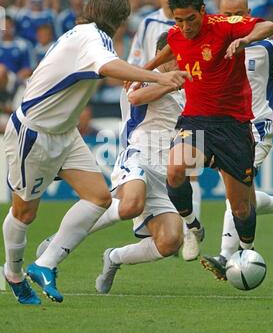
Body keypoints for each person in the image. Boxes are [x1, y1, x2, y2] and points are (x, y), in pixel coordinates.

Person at [2, 0, 189, 305]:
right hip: (34, 132)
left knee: (100, 197)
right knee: (24, 211)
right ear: (118, 19)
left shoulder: (89, 36)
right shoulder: (90, 38)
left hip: (64, 133)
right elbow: (107, 68)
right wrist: (158, 77)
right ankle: (14, 274)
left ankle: (44, 264)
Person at [36, 32, 203, 294]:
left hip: (168, 170)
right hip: (139, 154)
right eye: (175, 56)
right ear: (162, 55)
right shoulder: (143, 76)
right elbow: (135, 98)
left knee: (170, 241)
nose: (181, 61)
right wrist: (173, 83)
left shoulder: (189, 84)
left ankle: (114, 257)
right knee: (130, 205)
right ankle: (58, 241)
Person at [143, 0, 273, 265]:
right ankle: (193, 226)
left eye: (190, 19)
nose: (185, 26)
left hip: (234, 125)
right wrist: (147, 68)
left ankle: (246, 250)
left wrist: (246, 40)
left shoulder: (224, 26)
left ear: (203, 11)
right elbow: (172, 46)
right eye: (178, 20)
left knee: (240, 207)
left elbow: (269, 26)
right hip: (196, 120)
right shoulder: (176, 34)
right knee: (176, 169)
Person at [200, 0, 273, 280]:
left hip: (255, 129)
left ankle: (227, 255)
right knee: (245, 197)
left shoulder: (267, 48)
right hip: (223, 130)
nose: (233, 20)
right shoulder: (210, 47)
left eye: (239, 14)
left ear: (249, 14)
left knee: (237, 195)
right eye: (227, 14)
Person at [127, 0, 203, 260]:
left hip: (191, 94)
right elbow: (137, 61)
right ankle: (179, 226)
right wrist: (148, 76)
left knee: (190, 175)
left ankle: (191, 230)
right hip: (156, 94)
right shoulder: (149, 23)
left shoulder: (193, 23)